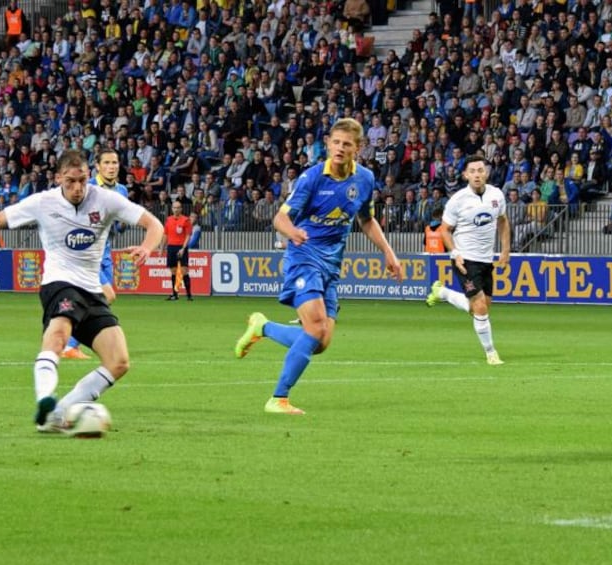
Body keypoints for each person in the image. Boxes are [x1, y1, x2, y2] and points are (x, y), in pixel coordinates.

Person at [0, 150, 164, 432]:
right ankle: (45, 398)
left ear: (89, 176)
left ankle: (58, 414)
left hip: (92, 290)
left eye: (82, 180)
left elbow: (154, 224)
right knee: (57, 335)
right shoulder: (43, 202)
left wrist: (147, 247)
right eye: (70, 181)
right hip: (59, 283)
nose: (77, 188)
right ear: (58, 179)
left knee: (119, 362)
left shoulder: (106, 200)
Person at [234, 118, 403, 415]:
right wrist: (293, 232)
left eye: (346, 144)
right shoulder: (311, 178)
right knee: (315, 327)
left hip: (331, 265)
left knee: (321, 341)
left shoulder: (364, 179)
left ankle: (263, 326)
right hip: (303, 257)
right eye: (335, 142)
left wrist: (389, 252)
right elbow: (280, 219)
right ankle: (278, 399)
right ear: (327, 144)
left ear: (358, 148)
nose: (340, 148)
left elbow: (366, 219)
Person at [425, 155, 511, 365]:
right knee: (480, 307)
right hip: (465, 259)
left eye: (480, 170)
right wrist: (455, 253)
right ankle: (491, 353)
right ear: (465, 175)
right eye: (472, 171)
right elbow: (445, 230)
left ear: (486, 173)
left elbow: (503, 221)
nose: (477, 174)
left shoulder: (497, 195)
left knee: (479, 308)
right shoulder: (458, 200)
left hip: (486, 260)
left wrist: (506, 250)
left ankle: (442, 292)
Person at [63, 149, 130, 360]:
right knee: (106, 295)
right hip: (86, 251)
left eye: (115, 162)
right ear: (98, 167)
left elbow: (117, 224)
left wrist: (123, 225)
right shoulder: (86, 187)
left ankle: (69, 338)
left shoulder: (122, 190)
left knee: (99, 300)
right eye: (107, 163)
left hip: (106, 251)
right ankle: (71, 343)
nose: (112, 166)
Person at [164, 201, 193, 301]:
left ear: (181, 209)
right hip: (171, 247)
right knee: (173, 271)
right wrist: (161, 248)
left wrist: (183, 248)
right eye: (174, 208)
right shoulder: (168, 219)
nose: (176, 209)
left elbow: (188, 235)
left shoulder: (186, 220)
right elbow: (166, 234)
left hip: (181, 247)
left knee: (184, 271)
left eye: (178, 208)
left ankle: (189, 295)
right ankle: (175, 294)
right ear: (172, 209)